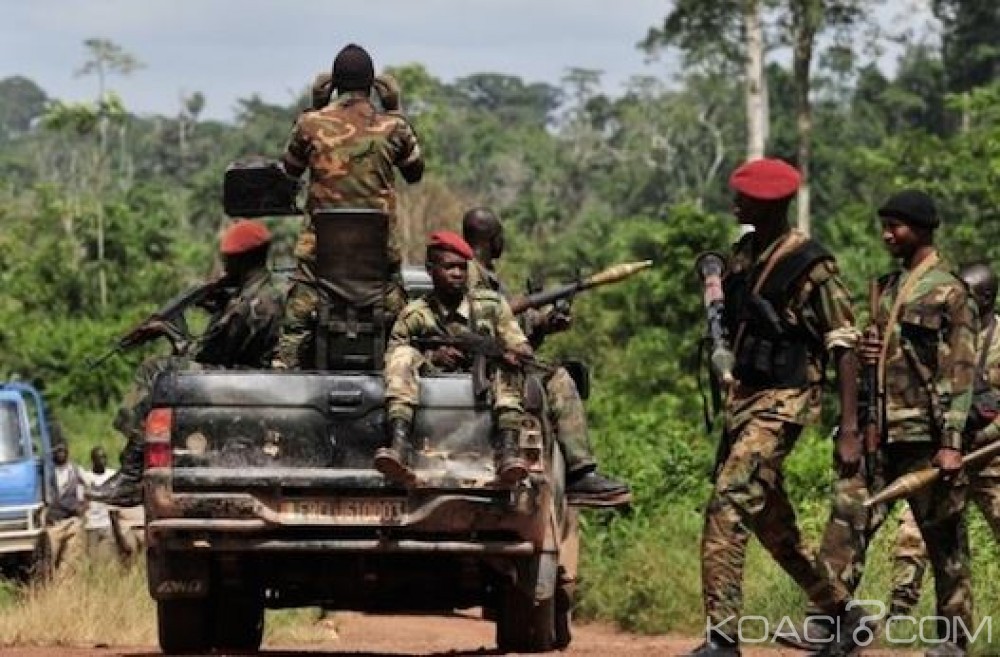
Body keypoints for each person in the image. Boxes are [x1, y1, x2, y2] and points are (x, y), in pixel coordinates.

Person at [686, 158, 865, 657]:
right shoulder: (745, 252)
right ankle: (844, 614)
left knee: (728, 504)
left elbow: (843, 343)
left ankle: (722, 639)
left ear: (769, 204)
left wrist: (849, 427)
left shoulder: (812, 265)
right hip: (743, 400)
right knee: (773, 525)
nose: (734, 203)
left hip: (784, 402)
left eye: (743, 197)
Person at [814, 189, 976, 656]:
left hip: (927, 436)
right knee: (849, 516)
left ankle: (954, 641)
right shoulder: (883, 288)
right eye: (884, 225)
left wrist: (951, 441)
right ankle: (834, 624)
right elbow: (878, 362)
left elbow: (962, 371)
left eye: (896, 226)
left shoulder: (950, 290)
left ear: (922, 229)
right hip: (880, 434)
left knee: (945, 542)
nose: (887, 234)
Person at [89, 219, 284, 506]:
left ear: (244, 261)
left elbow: (200, 356)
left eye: (228, 261)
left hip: (241, 381)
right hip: (252, 378)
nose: (225, 267)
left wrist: (167, 330)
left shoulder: (250, 304)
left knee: (154, 369)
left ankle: (132, 474)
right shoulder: (265, 293)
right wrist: (217, 307)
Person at [461, 207, 630, 507]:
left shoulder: (481, 275)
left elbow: (508, 328)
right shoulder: (471, 273)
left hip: (494, 358)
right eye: (500, 235)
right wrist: (527, 316)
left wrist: (542, 325)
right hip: (483, 364)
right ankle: (580, 473)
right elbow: (482, 322)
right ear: (490, 239)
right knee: (559, 378)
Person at [275, 43, 425, 368]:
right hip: (378, 257)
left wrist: (314, 107)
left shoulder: (310, 124)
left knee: (295, 323)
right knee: (401, 322)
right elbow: (414, 172)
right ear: (373, 84)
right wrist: (395, 108)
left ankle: (285, 366)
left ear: (334, 85)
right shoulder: (394, 127)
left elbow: (289, 171)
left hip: (319, 259)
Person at [887, 262, 1000, 618]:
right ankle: (899, 611)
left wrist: (983, 436)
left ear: (983, 298)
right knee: (913, 534)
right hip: (945, 454)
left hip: (991, 454)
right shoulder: (942, 336)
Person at [377, 230, 531, 486]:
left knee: (509, 365)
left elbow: (521, 348)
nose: (457, 274)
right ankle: (399, 445)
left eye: (462, 267)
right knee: (403, 356)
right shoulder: (415, 315)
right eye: (449, 267)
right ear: (431, 270)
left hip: (483, 387)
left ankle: (508, 451)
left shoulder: (490, 306)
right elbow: (393, 356)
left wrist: (502, 351)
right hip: (430, 388)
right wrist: (432, 357)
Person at [46, 436, 86, 572]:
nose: (60, 454)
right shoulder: (48, 473)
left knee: (70, 561)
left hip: (73, 521)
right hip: (55, 522)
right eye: (57, 451)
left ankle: (65, 590)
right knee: (51, 558)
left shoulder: (75, 470)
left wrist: (84, 507)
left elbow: (89, 487)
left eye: (63, 451)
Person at [80, 446, 116, 559]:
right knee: (93, 560)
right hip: (92, 524)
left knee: (108, 559)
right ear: (93, 460)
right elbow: (82, 500)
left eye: (104, 457)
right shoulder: (86, 477)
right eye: (99, 458)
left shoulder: (112, 475)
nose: (103, 461)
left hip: (107, 523)